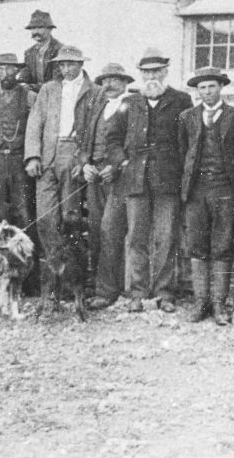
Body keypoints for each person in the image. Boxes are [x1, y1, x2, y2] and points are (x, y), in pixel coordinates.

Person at [106, 47, 193, 313]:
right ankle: (138, 292)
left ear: (165, 72)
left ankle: (165, 292)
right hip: (135, 179)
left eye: (157, 71)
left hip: (168, 177)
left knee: (166, 237)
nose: (152, 76)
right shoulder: (129, 103)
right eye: (147, 72)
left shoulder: (181, 100)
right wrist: (121, 160)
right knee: (136, 237)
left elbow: (189, 139)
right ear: (140, 75)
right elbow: (112, 138)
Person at [25, 46, 100, 303]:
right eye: (62, 64)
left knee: (71, 218)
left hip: (74, 154)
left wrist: (84, 158)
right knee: (45, 217)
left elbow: (94, 129)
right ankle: (54, 276)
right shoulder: (48, 89)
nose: (66, 69)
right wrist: (33, 156)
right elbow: (35, 122)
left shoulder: (94, 92)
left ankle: (73, 281)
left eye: (71, 64)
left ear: (80, 63)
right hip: (48, 153)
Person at [177, 67, 234, 325]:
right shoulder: (187, 117)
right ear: (197, 91)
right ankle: (201, 302)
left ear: (221, 87)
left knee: (222, 246)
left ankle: (219, 304)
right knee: (197, 246)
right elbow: (183, 153)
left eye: (211, 86)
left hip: (225, 190)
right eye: (202, 87)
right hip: (196, 190)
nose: (207, 92)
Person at [78, 63, 134, 310]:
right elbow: (82, 144)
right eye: (105, 80)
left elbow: (137, 144)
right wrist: (85, 165)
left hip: (119, 178)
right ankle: (101, 286)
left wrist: (118, 167)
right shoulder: (97, 108)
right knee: (96, 230)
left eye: (115, 80)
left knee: (112, 230)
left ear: (125, 83)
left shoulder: (134, 106)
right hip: (95, 176)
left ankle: (110, 290)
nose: (109, 84)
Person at [0, 53, 37, 227]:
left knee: (24, 211)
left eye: (9, 68)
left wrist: (32, 157)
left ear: (17, 70)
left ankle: (26, 251)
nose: (5, 73)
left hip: (19, 161)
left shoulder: (30, 97)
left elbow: (37, 129)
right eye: (1, 69)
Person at [19, 9, 64, 92]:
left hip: (55, 95)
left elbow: (57, 81)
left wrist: (32, 87)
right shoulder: (29, 52)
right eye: (33, 28)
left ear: (50, 29)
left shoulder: (60, 50)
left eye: (40, 28)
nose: (36, 31)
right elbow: (25, 75)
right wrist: (21, 83)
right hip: (35, 96)